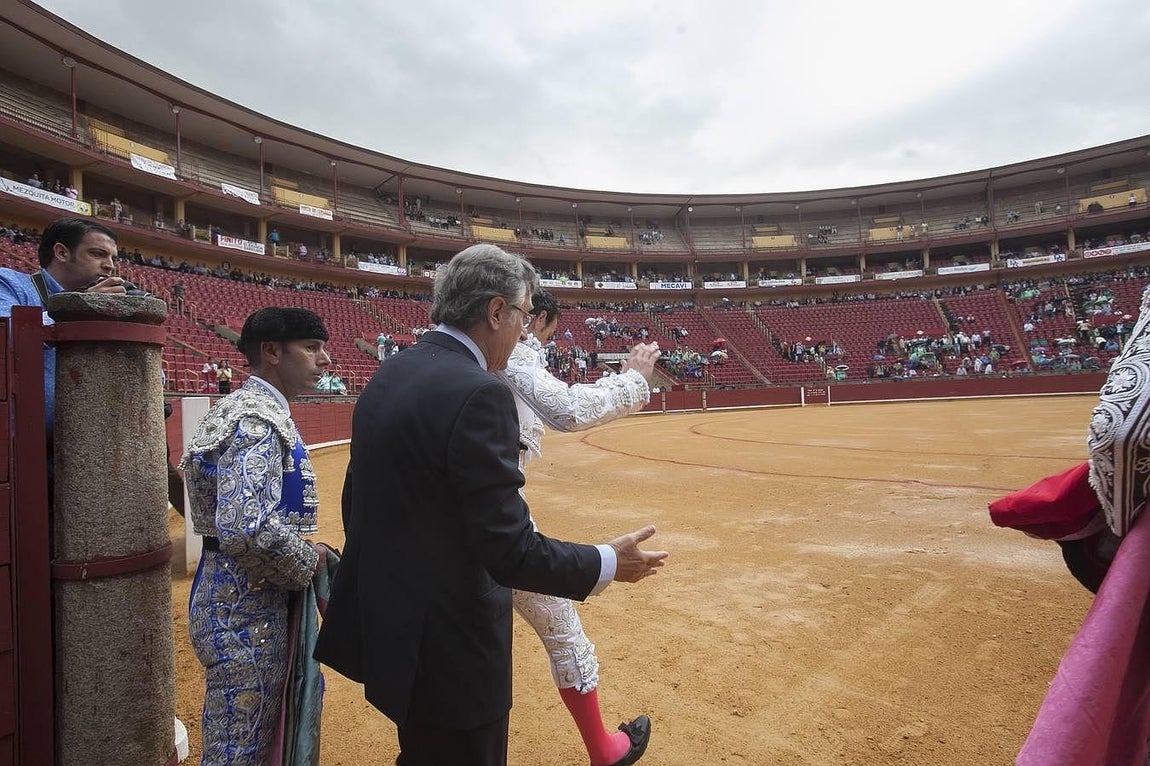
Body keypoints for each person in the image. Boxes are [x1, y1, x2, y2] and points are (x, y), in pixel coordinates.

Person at [315, 244, 667, 766]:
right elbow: (508, 549)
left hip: (400, 626)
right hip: (453, 639)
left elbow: (357, 499)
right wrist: (609, 561)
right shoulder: (481, 391)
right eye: (522, 317)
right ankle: (604, 750)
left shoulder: (390, 372)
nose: (524, 332)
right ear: (496, 311)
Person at [502, 287, 660, 765]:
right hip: (492, 522)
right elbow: (569, 408)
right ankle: (605, 750)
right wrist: (633, 380)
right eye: (532, 319)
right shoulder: (511, 353)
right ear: (535, 318)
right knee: (564, 630)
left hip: (453, 521)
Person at [182, 307, 332, 765]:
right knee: (242, 746)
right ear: (270, 352)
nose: (324, 360)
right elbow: (247, 530)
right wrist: (308, 561)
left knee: (249, 737)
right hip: (247, 607)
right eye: (311, 347)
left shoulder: (245, 410)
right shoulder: (257, 421)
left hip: (234, 593)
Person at [0, 217, 126, 434]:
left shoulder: (100, 304)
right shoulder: (9, 283)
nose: (110, 266)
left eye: (113, 258)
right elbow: (7, 336)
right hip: (21, 446)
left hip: (83, 443)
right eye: (97, 254)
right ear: (61, 253)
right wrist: (76, 310)